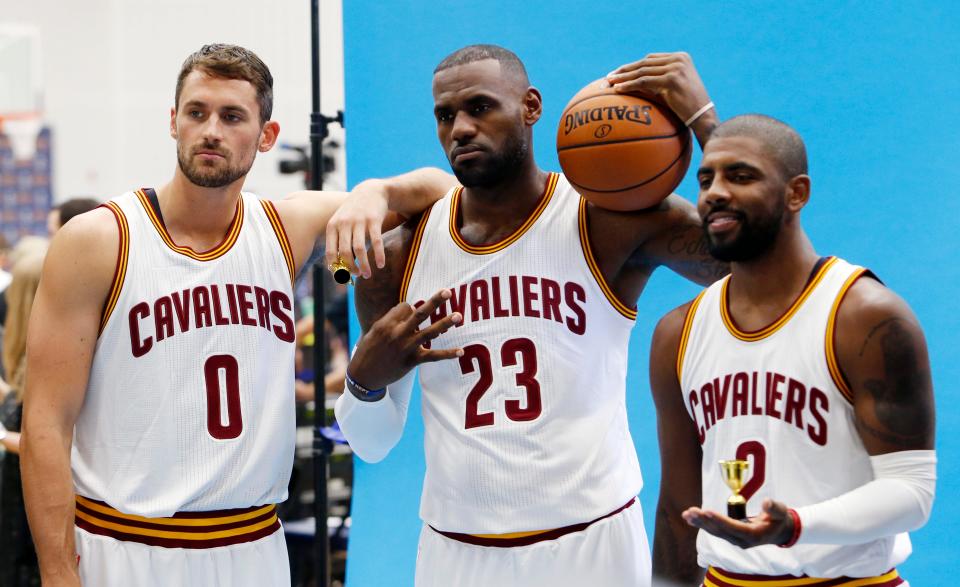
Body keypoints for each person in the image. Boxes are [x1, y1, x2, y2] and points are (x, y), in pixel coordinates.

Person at [20, 43, 455, 587]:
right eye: (196, 112)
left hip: (254, 548)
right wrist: (58, 572)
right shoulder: (99, 239)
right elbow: (45, 423)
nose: (211, 131)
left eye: (232, 117)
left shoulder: (285, 228)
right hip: (125, 545)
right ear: (172, 122)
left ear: (266, 136)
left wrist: (376, 190)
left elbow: (447, 195)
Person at [334, 45, 726, 587]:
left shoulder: (603, 221)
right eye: (446, 116)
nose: (461, 128)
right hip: (457, 552)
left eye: (480, 107)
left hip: (593, 542)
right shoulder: (399, 255)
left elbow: (756, 265)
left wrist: (707, 125)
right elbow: (371, 444)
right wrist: (363, 383)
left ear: (531, 106)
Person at [648, 115, 936, 585]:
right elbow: (679, 507)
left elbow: (913, 492)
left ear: (796, 193)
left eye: (740, 176)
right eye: (706, 179)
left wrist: (796, 526)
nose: (714, 193)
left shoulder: (864, 315)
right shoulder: (678, 333)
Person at [0, 251, 46, 587]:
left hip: (33, 499)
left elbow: (49, 441)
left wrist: (2, 436)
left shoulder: (46, 358)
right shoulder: (29, 353)